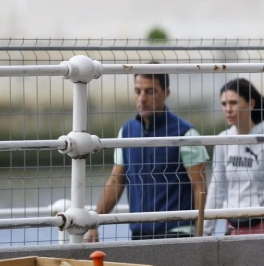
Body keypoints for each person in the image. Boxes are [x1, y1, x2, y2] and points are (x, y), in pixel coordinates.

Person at [84, 66, 209, 241]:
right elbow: (116, 181)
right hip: (139, 233)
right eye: (138, 91)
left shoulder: (185, 134)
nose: (142, 98)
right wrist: (94, 221)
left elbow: (200, 187)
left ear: (166, 92)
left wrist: (199, 237)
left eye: (150, 92)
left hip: (178, 232)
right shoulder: (126, 132)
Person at [203, 78, 264, 236]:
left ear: (251, 104)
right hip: (233, 229)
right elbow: (216, 190)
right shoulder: (222, 141)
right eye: (224, 104)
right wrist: (204, 233)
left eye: (234, 103)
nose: (228, 109)